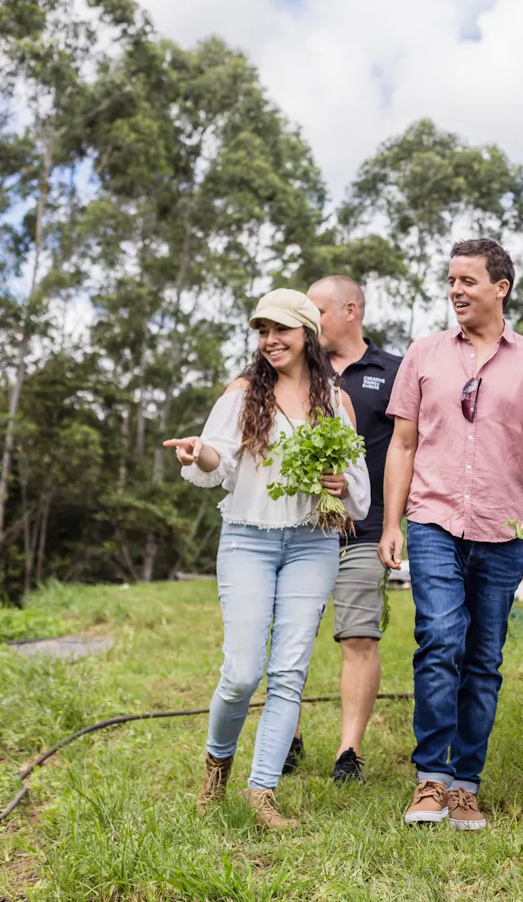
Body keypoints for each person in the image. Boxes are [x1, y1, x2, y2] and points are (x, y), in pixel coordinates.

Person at [379, 238, 523, 831]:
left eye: (468, 280)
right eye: (452, 280)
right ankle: (430, 778)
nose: (456, 290)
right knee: (439, 639)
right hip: (432, 518)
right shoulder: (424, 354)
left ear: (500, 287)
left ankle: (466, 782)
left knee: (483, 659)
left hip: (501, 527)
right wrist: (391, 523)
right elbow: (402, 444)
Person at [166, 288, 370, 830]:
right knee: (241, 673)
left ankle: (263, 793)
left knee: (288, 673)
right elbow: (217, 459)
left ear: (307, 334)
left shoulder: (336, 399)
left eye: (281, 329)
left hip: (313, 543)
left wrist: (339, 482)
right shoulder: (242, 394)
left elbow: (357, 487)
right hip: (247, 540)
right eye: (262, 331)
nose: (270, 340)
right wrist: (197, 451)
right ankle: (215, 771)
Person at [278, 276, 403, 785]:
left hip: (366, 527)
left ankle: (348, 750)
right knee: (292, 633)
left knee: (358, 634)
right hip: (300, 526)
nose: (306, 324)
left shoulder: (395, 371)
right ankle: (289, 735)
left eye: (317, 313)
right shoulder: (293, 370)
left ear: (350, 310)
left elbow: (407, 448)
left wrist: (396, 521)